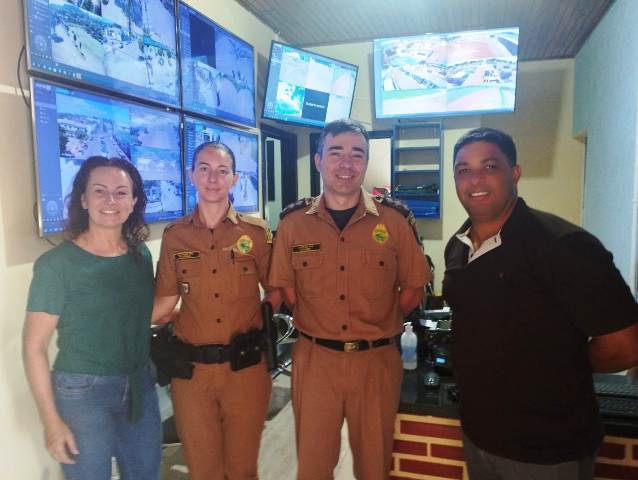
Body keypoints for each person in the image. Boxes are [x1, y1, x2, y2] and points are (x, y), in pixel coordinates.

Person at [443, 127, 638, 480]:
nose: (475, 179)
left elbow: (625, 346)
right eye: (463, 170)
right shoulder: (458, 247)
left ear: (514, 173)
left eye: (489, 166)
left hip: (545, 451)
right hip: (479, 436)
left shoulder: (564, 246)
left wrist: (563, 362)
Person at [268, 119, 431, 479]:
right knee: (313, 466)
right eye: (336, 153)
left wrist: (374, 321)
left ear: (366, 161)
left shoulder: (396, 220)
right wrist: (321, 319)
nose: (346, 164)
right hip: (315, 362)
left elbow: (413, 289)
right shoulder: (294, 223)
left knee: (374, 466)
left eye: (356, 154)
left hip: (375, 362)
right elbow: (287, 290)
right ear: (318, 161)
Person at [23, 156, 161, 480]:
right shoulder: (56, 265)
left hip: (140, 385)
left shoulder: (140, 256)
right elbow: (33, 347)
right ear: (83, 199)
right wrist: (51, 422)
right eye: (99, 191)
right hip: (83, 393)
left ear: (134, 200)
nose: (110, 201)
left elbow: (136, 316)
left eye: (121, 192)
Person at [152, 142, 277, 480]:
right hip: (192, 376)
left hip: (245, 371)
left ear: (234, 178)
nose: (212, 178)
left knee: (242, 470)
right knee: (203, 470)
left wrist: (263, 324)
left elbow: (277, 290)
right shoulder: (175, 237)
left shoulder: (256, 233)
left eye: (222, 171)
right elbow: (163, 302)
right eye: (204, 168)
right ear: (192, 175)